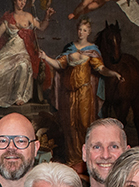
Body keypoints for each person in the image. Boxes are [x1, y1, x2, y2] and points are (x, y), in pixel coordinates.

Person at [41, 20, 123, 157]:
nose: (81, 32)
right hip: (69, 93)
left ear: (89, 32)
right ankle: (73, 157)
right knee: (70, 125)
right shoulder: (70, 49)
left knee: (85, 123)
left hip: (85, 92)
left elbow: (101, 69)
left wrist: (113, 73)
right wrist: (45, 57)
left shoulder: (92, 50)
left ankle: (85, 157)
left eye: (84, 30)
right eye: (80, 29)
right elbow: (59, 65)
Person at [0, 0, 45, 108]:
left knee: (23, 66)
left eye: (24, 1)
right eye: (20, 0)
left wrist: (47, 17)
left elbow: (41, 27)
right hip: (9, 50)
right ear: (14, 0)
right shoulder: (8, 18)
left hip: (24, 50)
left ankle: (19, 96)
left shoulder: (28, 16)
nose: (22, 3)